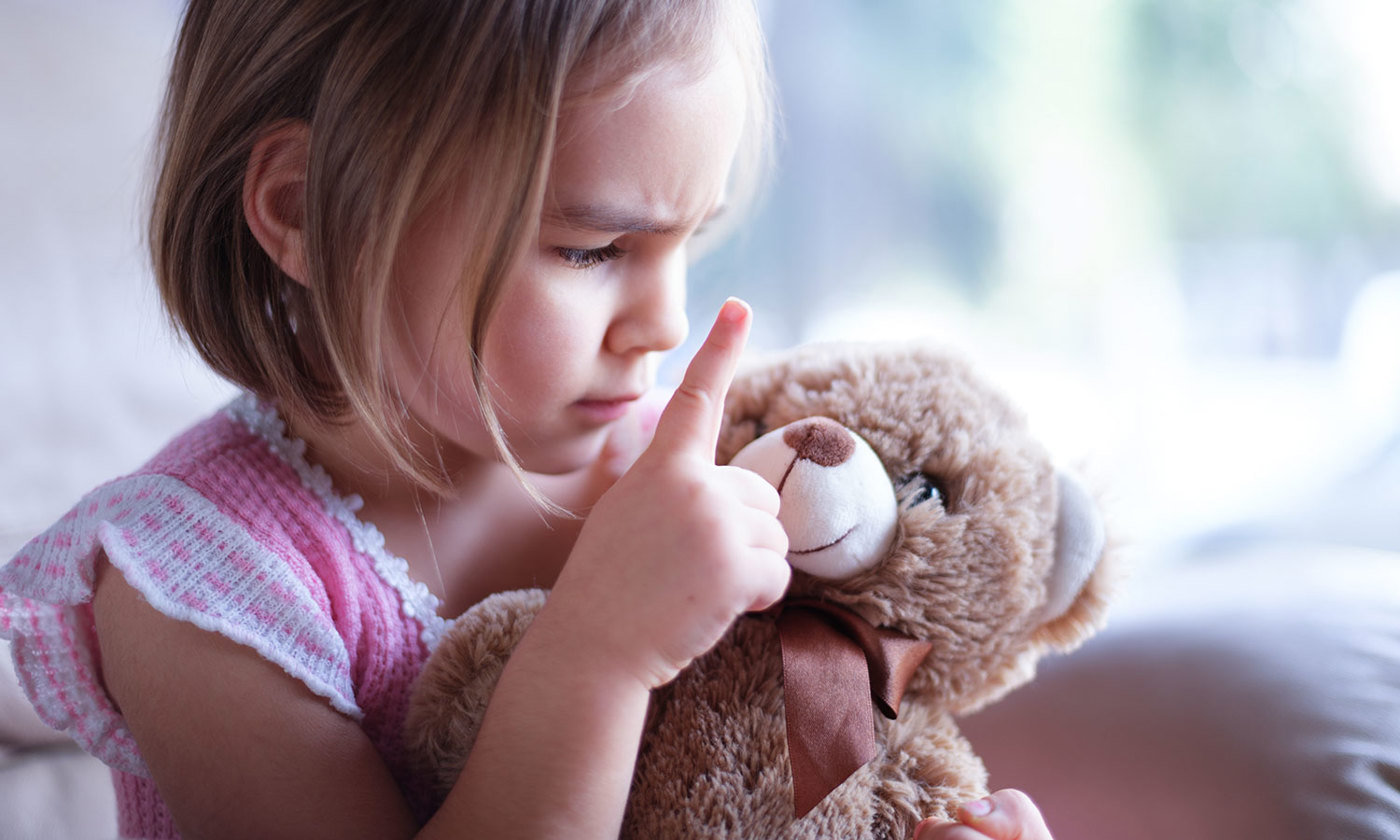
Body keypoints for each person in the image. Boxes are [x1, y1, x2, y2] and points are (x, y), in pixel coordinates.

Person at [0, 1, 1054, 837]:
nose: (665, 321)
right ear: (306, 210)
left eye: (690, 239)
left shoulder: (673, 464)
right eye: (590, 251)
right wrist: (593, 654)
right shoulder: (200, 589)